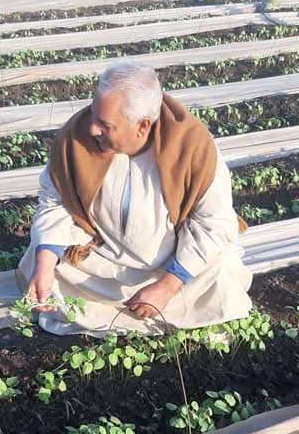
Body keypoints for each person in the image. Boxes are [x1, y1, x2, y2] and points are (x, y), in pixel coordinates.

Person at [17, 61, 252, 336]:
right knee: (41, 255)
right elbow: (54, 200)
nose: (92, 129)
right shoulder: (76, 138)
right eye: (94, 115)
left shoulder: (193, 147)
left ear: (142, 126)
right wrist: (46, 263)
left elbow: (214, 222)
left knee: (221, 266)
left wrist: (168, 284)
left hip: (170, 262)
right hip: (101, 261)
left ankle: (161, 297)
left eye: (105, 125)